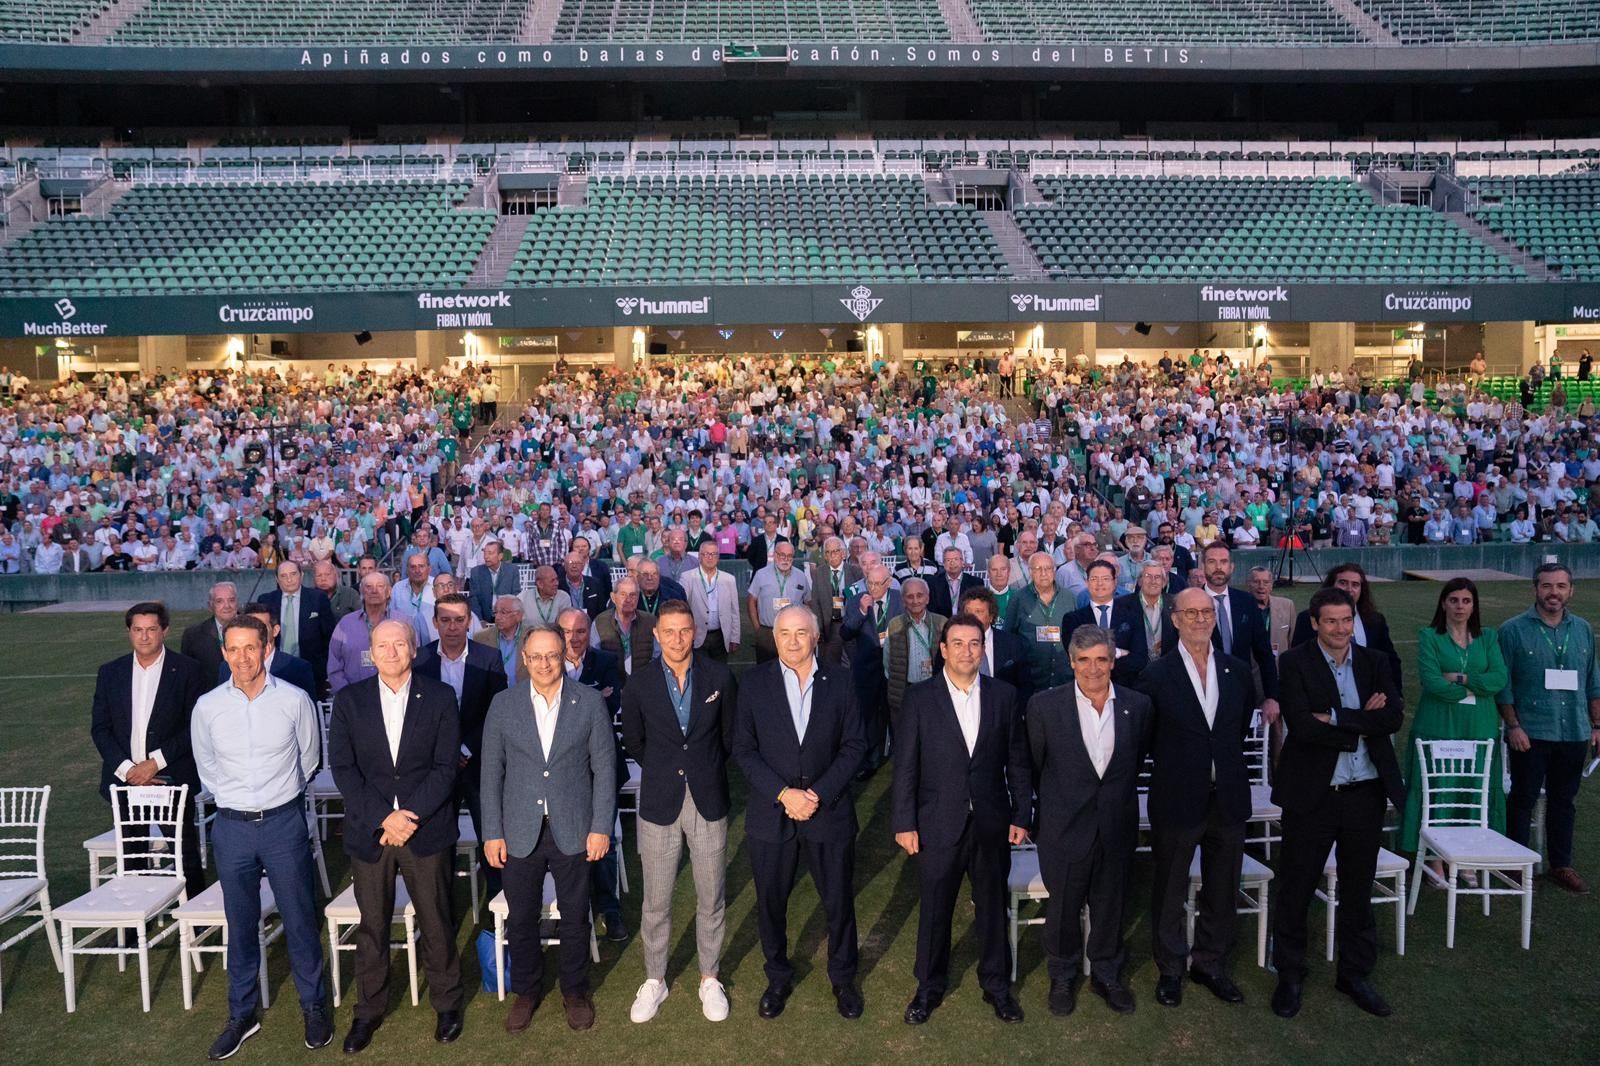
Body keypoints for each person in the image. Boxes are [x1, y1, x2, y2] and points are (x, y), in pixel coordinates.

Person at [191, 616, 331, 1060]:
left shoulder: (294, 700)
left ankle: (314, 1006)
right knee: (240, 924)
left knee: (300, 919)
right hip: (231, 828)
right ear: (223, 653)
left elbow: (309, 759)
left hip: (283, 825)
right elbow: (207, 767)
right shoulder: (207, 707)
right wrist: (238, 801)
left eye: (250, 647)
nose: (242, 658)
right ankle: (242, 1014)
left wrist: (275, 800)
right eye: (233, 649)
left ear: (266, 647)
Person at [328, 620, 465, 1052]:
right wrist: (385, 818)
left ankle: (447, 1003)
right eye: (383, 645)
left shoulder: (440, 697)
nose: (391, 652)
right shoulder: (350, 701)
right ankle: (368, 1011)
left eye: (399, 644)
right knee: (372, 925)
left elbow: (445, 766)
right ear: (371, 653)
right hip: (373, 832)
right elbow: (344, 768)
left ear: (413, 649)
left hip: (425, 829)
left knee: (436, 919)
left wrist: (409, 818)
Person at [1271, 588, 1404, 1020]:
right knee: (1296, 888)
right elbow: (1302, 727)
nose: (1340, 628)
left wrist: (1337, 716)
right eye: (1330, 621)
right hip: (1313, 795)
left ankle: (1354, 973)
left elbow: (1392, 717)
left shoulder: (1374, 661)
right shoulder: (1295, 662)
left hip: (1365, 793)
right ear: (1314, 623)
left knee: (1358, 889)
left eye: (1346, 620)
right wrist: (1363, 720)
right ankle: (1290, 974)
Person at [893, 612, 1031, 1026]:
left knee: (992, 906)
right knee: (936, 908)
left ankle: (997, 986)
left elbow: (1017, 761)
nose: (966, 651)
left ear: (983, 649)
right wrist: (904, 822)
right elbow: (906, 766)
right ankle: (928, 987)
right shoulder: (920, 698)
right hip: (937, 823)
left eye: (974, 643)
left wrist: (1022, 814)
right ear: (943, 649)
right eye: (958, 643)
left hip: (991, 821)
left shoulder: (1005, 696)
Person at [732, 605, 867, 1021]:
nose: (793, 641)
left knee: (838, 901)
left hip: (829, 812)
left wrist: (817, 794)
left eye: (801, 633)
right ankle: (777, 976)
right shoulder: (753, 683)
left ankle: (843, 977)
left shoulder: (841, 681)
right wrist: (783, 794)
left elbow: (855, 746)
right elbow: (744, 750)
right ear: (774, 639)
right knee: (771, 903)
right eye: (785, 633)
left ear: (816, 637)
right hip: (772, 815)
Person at [481, 624, 617, 1033]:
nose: (544, 664)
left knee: (575, 916)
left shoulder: (588, 702)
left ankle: (575, 991)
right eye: (536, 656)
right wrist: (492, 831)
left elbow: (605, 769)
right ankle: (527, 991)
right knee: (522, 917)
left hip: (574, 827)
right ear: (524, 659)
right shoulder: (503, 704)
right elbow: (491, 774)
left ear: (564, 656)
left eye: (552, 655)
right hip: (518, 829)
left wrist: (601, 826)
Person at [620, 600, 738, 1024]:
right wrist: (667, 768)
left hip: (708, 799)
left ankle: (710, 977)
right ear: (656, 635)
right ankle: (656, 979)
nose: (677, 639)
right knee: (656, 901)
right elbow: (634, 741)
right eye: (668, 631)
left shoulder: (720, 676)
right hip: (659, 802)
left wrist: (701, 768)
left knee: (711, 897)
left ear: (696, 632)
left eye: (684, 630)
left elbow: (728, 738)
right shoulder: (639, 683)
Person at [1026, 625, 1153, 1017]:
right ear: (1071, 661)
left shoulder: (1138, 706)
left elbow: (1136, 759)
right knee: (1063, 908)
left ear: (1113, 661)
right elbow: (1035, 765)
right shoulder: (1045, 706)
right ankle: (1062, 974)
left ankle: (1106, 973)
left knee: (1110, 904)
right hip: (1064, 827)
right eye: (1084, 660)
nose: (1093, 668)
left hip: (1116, 824)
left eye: (1101, 659)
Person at [1139, 588, 1255, 1008]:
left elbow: (1236, 728)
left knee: (1222, 887)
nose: (1200, 619)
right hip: (1176, 797)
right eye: (1191, 612)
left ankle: (1210, 964)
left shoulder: (1236, 671)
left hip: (1227, 797)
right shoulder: (1156, 675)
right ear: (1175, 620)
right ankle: (1170, 968)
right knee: (1170, 887)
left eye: (1206, 612)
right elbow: (1147, 737)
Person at [90, 601, 209, 898]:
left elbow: (194, 726)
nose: (144, 637)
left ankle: (196, 915)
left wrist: (153, 764)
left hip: (171, 779)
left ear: (164, 631)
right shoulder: (111, 672)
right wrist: (129, 770)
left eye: (151, 630)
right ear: (129, 632)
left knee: (184, 856)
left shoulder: (188, 670)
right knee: (132, 858)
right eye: (137, 630)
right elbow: (100, 728)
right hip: (125, 783)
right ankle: (137, 917)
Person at [1496, 563, 1600, 895]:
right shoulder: (1512, 630)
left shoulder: (1583, 629)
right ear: (1535, 589)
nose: (1553, 592)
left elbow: (1593, 681)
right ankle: (1514, 864)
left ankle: (1561, 865)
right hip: (1530, 732)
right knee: (1523, 798)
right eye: (1546, 586)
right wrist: (1513, 725)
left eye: (1560, 586)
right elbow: (1503, 685)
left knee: (1564, 801)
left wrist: (1597, 724)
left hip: (1574, 730)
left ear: (1571, 591)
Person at [1398, 579, 1509, 870]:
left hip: (1479, 724)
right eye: (1454, 600)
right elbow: (1432, 681)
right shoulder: (1429, 636)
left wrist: (1461, 679)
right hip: (1438, 723)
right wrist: (1475, 686)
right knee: (1438, 786)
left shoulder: (1488, 637)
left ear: (1474, 606)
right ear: (1443, 603)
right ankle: (1434, 858)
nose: (1460, 606)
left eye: (1466, 601)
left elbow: (1499, 679)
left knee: (1474, 785)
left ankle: (1470, 856)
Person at [415, 592, 508, 903]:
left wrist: (466, 749)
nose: (452, 627)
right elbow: (417, 716)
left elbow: (496, 711)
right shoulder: (420, 659)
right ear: (435, 622)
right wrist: (446, 753)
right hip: (436, 765)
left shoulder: (488, 658)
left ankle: (498, 904)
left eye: (459, 620)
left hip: (478, 762)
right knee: (439, 841)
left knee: (490, 834)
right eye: (446, 620)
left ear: (469, 622)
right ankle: (442, 908)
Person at [555, 608, 630, 943]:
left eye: (580, 631)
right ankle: (570, 910)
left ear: (590, 633)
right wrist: (593, 697)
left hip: (601, 768)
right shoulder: (546, 663)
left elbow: (608, 708)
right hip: (561, 769)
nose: (573, 638)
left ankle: (610, 911)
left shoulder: (606, 661)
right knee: (565, 844)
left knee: (604, 842)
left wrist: (572, 701)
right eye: (566, 631)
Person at [1198, 542, 1281, 726]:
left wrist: (1271, 697)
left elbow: (1264, 653)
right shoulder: (1189, 602)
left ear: (1232, 567)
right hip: (1200, 696)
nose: (1218, 567)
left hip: (1241, 695)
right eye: (1212, 562)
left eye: (1223, 562)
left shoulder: (1246, 602)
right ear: (1202, 566)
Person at [1290, 563, 1403, 685]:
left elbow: (1390, 660)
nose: (1349, 589)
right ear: (1331, 585)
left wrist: (1392, 693)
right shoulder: (1307, 618)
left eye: (1355, 585)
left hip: (1366, 692)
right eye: (1343, 583)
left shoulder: (1375, 620)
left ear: (1362, 590)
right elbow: (1298, 660)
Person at [840, 564, 901, 779]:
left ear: (888, 583)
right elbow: (845, 633)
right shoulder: (857, 601)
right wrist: (860, 612)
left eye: (877, 584)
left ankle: (901, 759)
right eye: (869, 583)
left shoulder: (900, 599)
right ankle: (870, 760)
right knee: (869, 715)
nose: (872, 588)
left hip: (895, 667)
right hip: (866, 669)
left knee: (896, 713)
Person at [1061, 559, 1142, 686]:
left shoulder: (1132, 616)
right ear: (1087, 583)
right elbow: (1076, 658)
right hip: (1087, 685)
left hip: (1124, 686)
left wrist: (1097, 659)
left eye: (1105, 579)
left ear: (1114, 582)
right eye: (1094, 579)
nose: (1100, 583)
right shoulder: (1073, 620)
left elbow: (1139, 659)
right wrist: (1118, 652)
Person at [258, 560, 334, 690]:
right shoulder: (266, 600)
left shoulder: (318, 598)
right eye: (283, 576)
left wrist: (323, 667)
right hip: (274, 670)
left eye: (293, 574)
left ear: (301, 575)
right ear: (277, 579)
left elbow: (329, 635)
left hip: (310, 670)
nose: (289, 579)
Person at [1007, 551, 1073, 693]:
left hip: (1064, 678)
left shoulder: (1069, 598)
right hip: (1031, 679)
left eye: (1048, 568)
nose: (1043, 573)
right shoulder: (1018, 599)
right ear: (1030, 571)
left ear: (1054, 571)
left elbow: (1077, 636)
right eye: (1038, 569)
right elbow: (1008, 637)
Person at [220, 603, 318, 698]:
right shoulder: (227, 668)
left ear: (275, 630)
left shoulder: (298, 668)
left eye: (261, 626)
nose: (256, 632)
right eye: (250, 627)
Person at [883, 577, 944, 722]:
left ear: (927, 598)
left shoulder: (942, 623)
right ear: (903, 601)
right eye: (910, 596)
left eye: (920, 595)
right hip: (904, 693)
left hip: (934, 691)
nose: (915, 600)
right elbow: (887, 662)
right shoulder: (894, 625)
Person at [328, 569, 394, 692]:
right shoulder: (345, 624)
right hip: (353, 697)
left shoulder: (403, 622)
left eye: (380, 586)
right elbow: (334, 664)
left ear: (388, 592)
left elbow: (413, 660)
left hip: (395, 696)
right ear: (361, 591)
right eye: (369, 587)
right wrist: (347, 696)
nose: (374, 591)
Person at [746, 541, 811, 663]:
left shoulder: (801, 576)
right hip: (767, 632)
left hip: (793, 633)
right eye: (782, 555)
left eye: (789, 556)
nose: (786, 559)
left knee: (792, 667)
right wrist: (758, 629)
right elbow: (751, 601)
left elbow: (808, 602)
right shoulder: (761, 574)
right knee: (766, 668)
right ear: (775, 555)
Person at [807, 536, 863, 665]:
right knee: (830, 665)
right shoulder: (819, 573)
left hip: (850, 625)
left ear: (843, 553)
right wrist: (818, 628)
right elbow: (816, 603)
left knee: (854, 664)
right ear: (824, 556)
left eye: (835, 551)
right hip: (830, 627)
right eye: (827, 552)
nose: (831, 555)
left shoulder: (856, 572)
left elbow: (860, 600)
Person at [684, 539, 741, 662]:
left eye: (713, 554)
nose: (710, 557)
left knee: (720, 670)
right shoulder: (688, 578)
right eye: (706, 554)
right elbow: (683, 607)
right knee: (699, 670)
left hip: (721, 636)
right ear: (699, 557)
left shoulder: (729, 579)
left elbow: (734, 611)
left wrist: (735, 637)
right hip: (697, 636)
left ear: (718, 557)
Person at [594, 576, 658, 681]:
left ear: (638, 597)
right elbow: (595, 658)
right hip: (611, 683)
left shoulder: (651, 621)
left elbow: (657, 656)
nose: (628, 599)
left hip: (644, 682)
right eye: (623, 594)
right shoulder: (600, 622)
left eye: (633, 595)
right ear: (613, 597)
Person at [181, 581, 238, 680]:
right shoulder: (193, 635)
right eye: (219, 601)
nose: (227, 606)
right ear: (210, 606)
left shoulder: (252, 629)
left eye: (231, 600)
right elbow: (187, 673)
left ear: (237, 603)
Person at [474, 594, 532, 682]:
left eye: (503, 612)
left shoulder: (532, 636)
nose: (497, 617)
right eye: (495, 612)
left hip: (522, 689)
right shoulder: (480, 637)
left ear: (519, 615)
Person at [467, 541, 520, 624]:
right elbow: (474, 598)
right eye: (485, 553)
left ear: (500, 556)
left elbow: (516, 594)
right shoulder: (476, 572)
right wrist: (479, 620)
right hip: (485, 618)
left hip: (507, 617)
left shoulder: (512, 570)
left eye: (490, 553)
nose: (486, 557)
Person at [927, 546, 981, 619]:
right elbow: (932, 610)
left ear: (962, 562)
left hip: (967, 622)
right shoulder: (933, 583)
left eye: (956, 559)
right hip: (942, 623)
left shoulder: (975, 583)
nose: (952, 563)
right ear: (943, 563)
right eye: (948, 560)